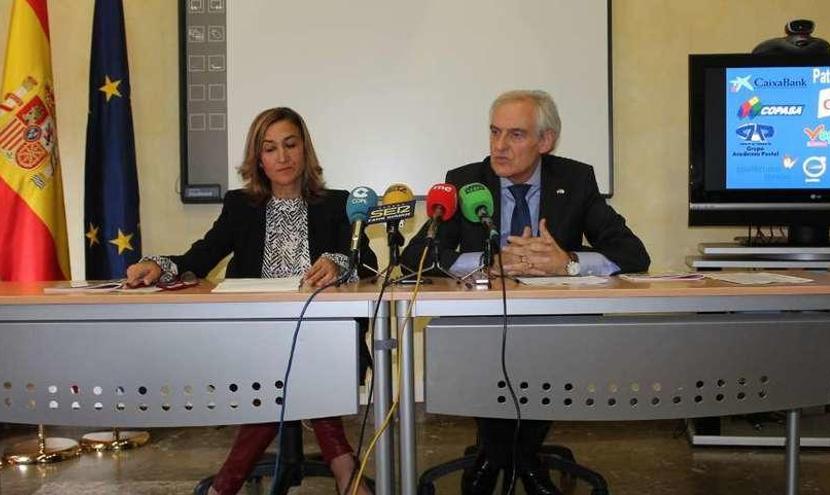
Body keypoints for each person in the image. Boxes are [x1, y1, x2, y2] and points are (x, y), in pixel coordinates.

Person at [401, 90, 649, 495]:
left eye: (515, 135)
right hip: (481, 324)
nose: (499, 146)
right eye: (495, 132)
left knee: (545, 345)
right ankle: (522, 459)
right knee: (486, 345)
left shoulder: (575, 179)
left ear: (545, 142)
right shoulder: (465, 181)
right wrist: (486, 262)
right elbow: (418, 256)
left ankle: (500, 456)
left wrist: (567, 261)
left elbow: (634, 253)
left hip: (551, 327)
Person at [126, 107, 375, 495]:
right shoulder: (242, 206)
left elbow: (367, 264)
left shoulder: (337, 203)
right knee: (284, 370)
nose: (283, 157)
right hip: (255, 339)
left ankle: (226, 486)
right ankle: (345, 468)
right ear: (258, 158)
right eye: (270, 148)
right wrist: (158, 264)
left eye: (291, 145)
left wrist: (340, 261)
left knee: (297, 365)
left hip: (323, 339)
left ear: (305, 149)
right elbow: (200, 258)